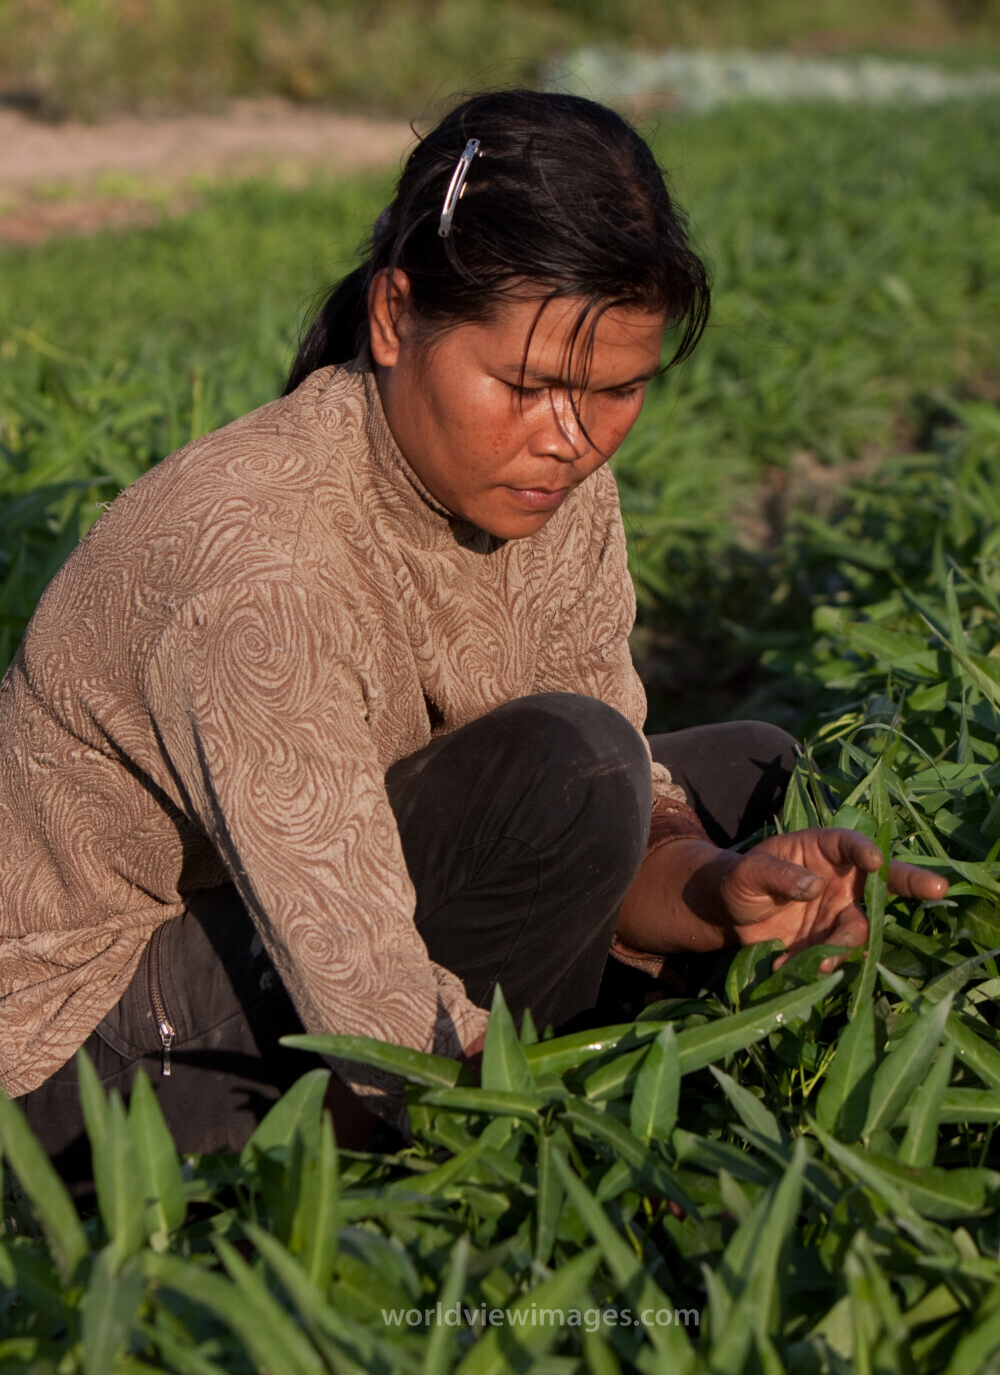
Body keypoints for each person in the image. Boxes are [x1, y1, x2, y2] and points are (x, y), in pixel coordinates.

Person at [1, 90, 946, 1182]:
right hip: (77, 1067)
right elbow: (362, 979)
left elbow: (614, 777)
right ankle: (377, 1178)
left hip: (298, 920)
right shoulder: (263, 565)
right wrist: (566, 1144)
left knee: (746, 774)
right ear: (395, 318)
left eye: (620, 389)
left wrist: (703, 887)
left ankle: (587, 1030)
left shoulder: (551, 485)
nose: (574, 439)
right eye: (528, 386)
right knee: (570, 769)